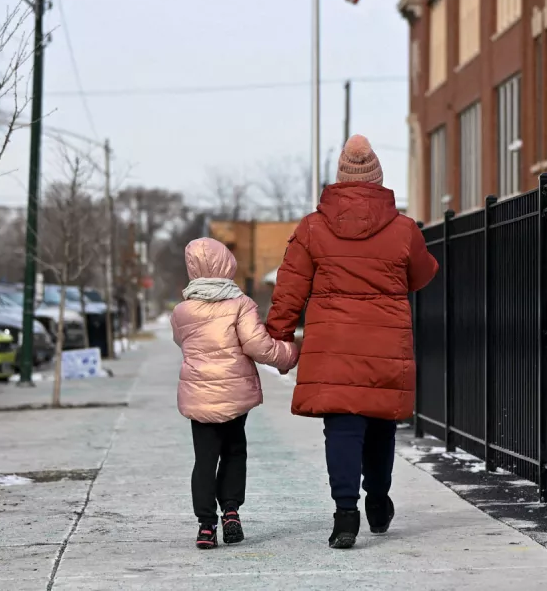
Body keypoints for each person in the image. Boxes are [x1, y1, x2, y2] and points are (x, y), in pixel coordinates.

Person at [267, 135, 439, 549]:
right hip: (384, 344)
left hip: (332, 348)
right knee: (380, 428)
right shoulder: (403, 229)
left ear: (340, 181)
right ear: (378, 180)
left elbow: (290, 287)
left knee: (341, 430)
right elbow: (422, 274)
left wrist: (279, 336)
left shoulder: (312, 228)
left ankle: (346, 514)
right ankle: (378, 502)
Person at [171, 237, 299, 550]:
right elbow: (257, 346)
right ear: (226, 263)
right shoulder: (240, 305)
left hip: (199, 393)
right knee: (233, 451)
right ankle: (230, 511)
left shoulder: (182, 311)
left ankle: (205, 526)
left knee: (204, 459)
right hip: (234, 392)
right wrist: (288, 355)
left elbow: (182, 343)